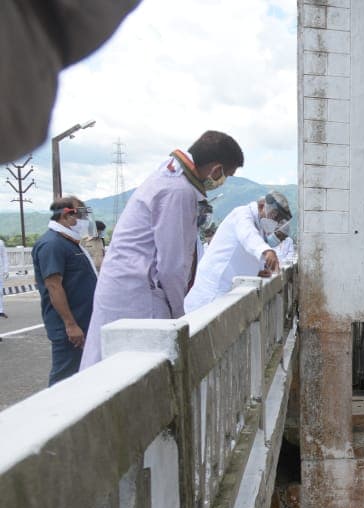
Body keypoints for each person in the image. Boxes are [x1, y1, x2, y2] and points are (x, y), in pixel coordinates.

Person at [80, 131, 244, 369]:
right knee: (134, 370)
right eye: (226, 175)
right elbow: (172, 267)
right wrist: (179, 315)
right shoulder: (179, 191)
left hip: (125, 286)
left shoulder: (168, 175)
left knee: (103, 363)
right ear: (216, 170)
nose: (222, 181)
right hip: (139, 292)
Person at [183, 191, 289, 312]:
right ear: (261, 206)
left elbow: (246, 252)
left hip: (228, 292)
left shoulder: (258, 227)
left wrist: (257, 271)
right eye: (274, 216)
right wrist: (267, 251)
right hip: (212, 292)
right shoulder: (242, 214)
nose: (274, 222)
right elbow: (249, 236)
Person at [32, 197, 98, 385]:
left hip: (84, 323)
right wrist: (70, 324)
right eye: (80, 215)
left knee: (80, 375)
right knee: (64, 379)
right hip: (70, 328)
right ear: (66, 216)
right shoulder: (52, 244)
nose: (84, 220)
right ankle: (54, 412)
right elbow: (54, 286)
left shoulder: (70, 243)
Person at [0, 240, 9, 318]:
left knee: (0, 292)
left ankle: (0, 310)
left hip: (0, 271)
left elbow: (4, 256)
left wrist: (6, 270)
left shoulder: (1, 243)